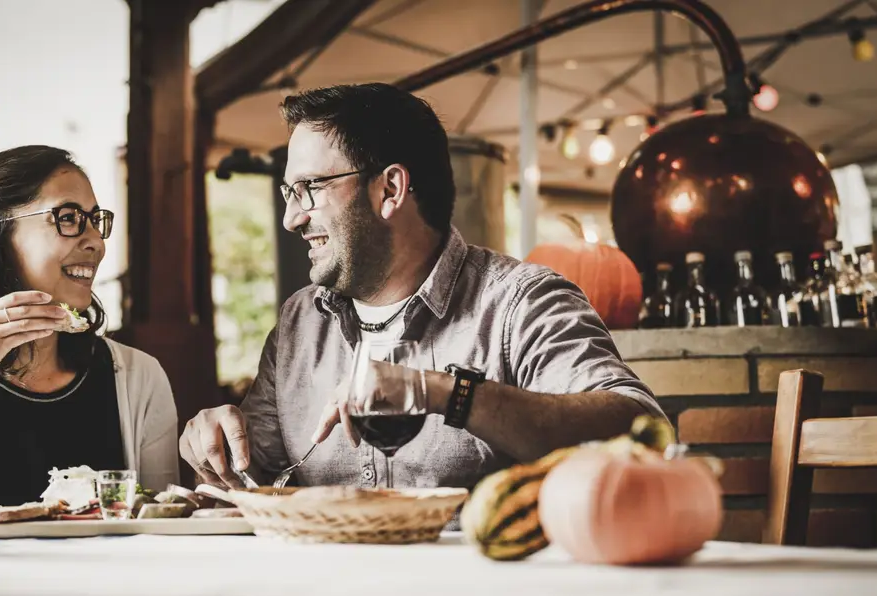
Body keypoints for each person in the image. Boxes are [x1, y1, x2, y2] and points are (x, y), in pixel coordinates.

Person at [181, 83, 665, 491]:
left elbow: (642, 429)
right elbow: (259, 475)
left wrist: (443, 393)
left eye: (309, 188)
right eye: (289, 192)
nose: (291, 218)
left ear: (390, 189)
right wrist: (217, 442)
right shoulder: (299, 324)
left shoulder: (521, 302)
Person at [0, 145, 178, 518]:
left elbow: (161, 527)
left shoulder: (138, 377)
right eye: (69, 217)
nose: (96, 241)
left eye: (95, 219)